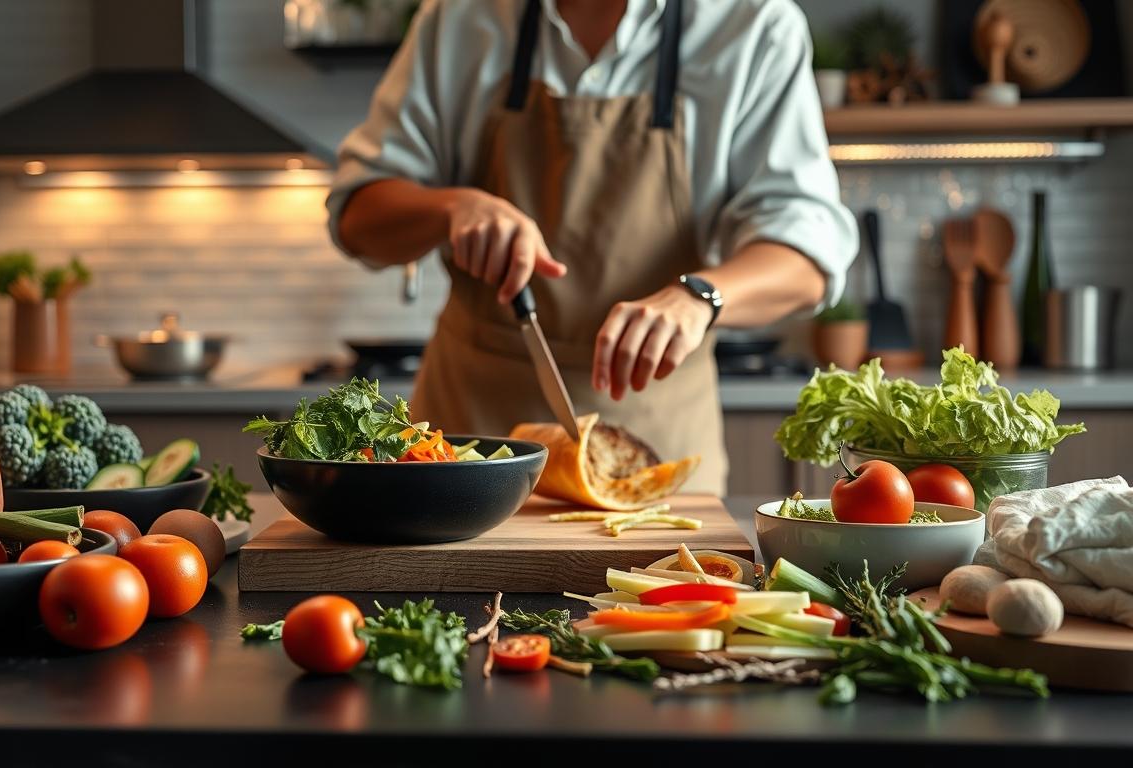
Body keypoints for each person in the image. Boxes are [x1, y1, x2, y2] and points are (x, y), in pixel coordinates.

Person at [326, 0, 857, 494]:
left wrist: (700, 296)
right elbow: (356, 214)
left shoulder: (753, 25)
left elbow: (806, 253)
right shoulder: (461, 16)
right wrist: (453, 209)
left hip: (655, 452)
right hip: (460, 455)